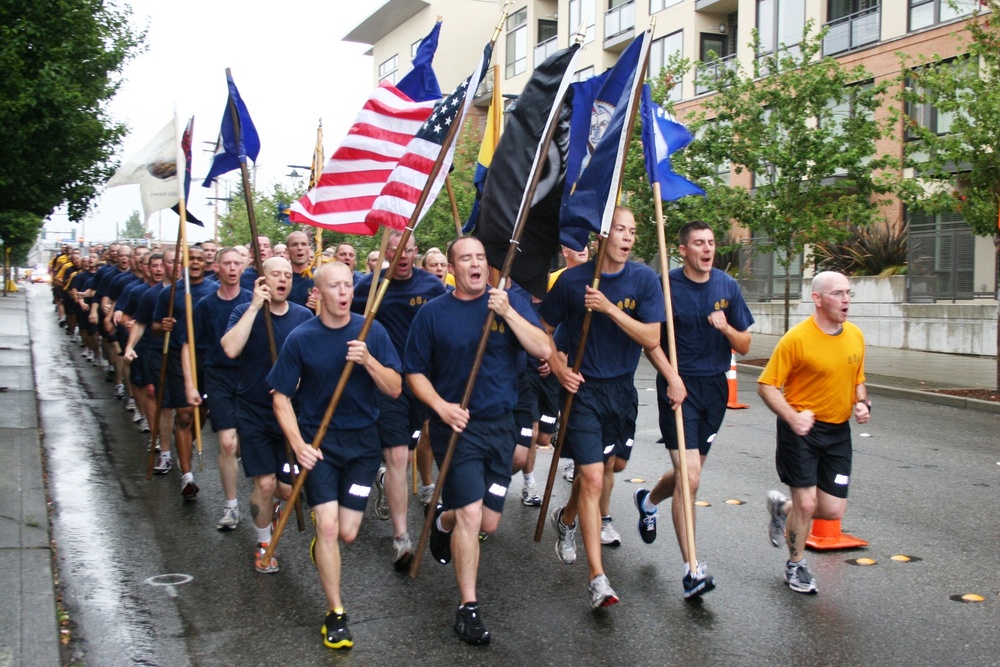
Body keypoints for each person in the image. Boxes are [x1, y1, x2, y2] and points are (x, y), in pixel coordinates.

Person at [405, 236, 549, 645]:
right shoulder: (433, 315)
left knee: (487, 521)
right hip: (458, 429)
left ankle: (441, 519)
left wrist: (509, 313)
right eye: (466, 258)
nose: (475, 264)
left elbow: (544, 349)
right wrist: (441, 407)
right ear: (452, 267)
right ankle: (468, 608)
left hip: (501, 426)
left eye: (481, 257)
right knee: (471, 517)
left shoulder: (507, 303)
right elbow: (414, 371)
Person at [269, 260, 402, 650]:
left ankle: (323, 546)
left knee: (347, 532)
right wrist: (299, 446)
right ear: (320, 292)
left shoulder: (370, 331)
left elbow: (395, 387)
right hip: (319, 447)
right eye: (335, 286)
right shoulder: (301, 338)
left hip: (362, 447)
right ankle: (336, 612)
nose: (344, 293)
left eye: (348, 286)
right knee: (327, 527)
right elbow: (280, 397)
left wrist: (368, 361)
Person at [539, 207, 664, 609]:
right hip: (583, 392)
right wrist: (558, 367)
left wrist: (609, 308)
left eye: (632, 231)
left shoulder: (644, 279)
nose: (627, 238)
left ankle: (568, 518)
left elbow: (651, 335)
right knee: (593, 477)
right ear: (602, 236)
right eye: (620, 230)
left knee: (612, 469)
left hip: (621, 391)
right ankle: (598, 579)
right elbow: (544, 333)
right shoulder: (573, 281)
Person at [633, 220, 754, 600]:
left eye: (711, 242)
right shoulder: (665, 287)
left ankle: (648, 501)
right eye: (699, 243)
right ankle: (692, 570)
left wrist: (726, 330)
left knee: (688, 473)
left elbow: (746, 344)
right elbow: (651, 342)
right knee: (690, 477)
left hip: (714, 389)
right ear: (682, 249)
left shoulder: (726, 286)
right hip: (678, 388)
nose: (707, 249)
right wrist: (671, 377)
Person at [757, 270, 870, 595]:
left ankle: (782, 510)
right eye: (838, 293)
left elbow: (857, 380)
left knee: (832, 509)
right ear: (817, 299)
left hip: (837, 432)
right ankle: (795, 565)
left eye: (849, 293)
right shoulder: (796, 339)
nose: (846, 300)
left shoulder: (856, 337)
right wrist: (792, 418)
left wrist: (863, 404)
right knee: (807, 503)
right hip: (800, 430)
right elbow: (766, 386)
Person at [352, 230, 446, 569]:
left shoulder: (432, 286)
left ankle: (394, 486)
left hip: (423, 382)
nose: (402, 255)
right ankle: (401, 537)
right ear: (386, 252)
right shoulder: (369, 286)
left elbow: (443, 327)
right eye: (395, 249)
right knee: (397, 457)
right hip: (387, 382)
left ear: (415, 251)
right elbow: (349, 322)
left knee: (415, 449)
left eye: (407, 249)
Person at [221, 256, 314, 573]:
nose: (283, 280)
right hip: (254, 410)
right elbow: (231, 348)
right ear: (263, 280)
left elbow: (312, 361)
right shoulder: (245, 311)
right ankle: (264, 542)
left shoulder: (303, 316)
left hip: (290, 413)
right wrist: (252, 307)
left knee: (289, 488)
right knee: (264, 482)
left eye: (288, 275)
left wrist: (296, 381)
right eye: (276, 274)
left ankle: (270, 504)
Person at [183, 247, 251, 529]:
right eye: (227, 263)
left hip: (250, 376)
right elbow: (187, 345)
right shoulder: (204, 305)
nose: (233, 268)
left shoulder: (253, 301)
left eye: (237, 263)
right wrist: (190, 384)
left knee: (249, 444)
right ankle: (232, 506)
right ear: (217, 268)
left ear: (244, 267)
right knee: (227, 442)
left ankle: (266, 499)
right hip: (218, 376)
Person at [153, 246, 216, 498]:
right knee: (184, 415)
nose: (197, 262)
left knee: (200, 412)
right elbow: (156, 325)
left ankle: (186, 444)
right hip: (181, 358)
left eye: (201, 259)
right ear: (184, 263)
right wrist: (163, 325)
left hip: (207, 358)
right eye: (192, 259)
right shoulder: (170, 293)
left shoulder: (214, 290)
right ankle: (187, 476)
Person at [548, 243, 590, 484]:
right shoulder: (557, 279)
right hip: (566, 349)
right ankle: (572, 459)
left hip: (599, 363)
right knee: (572, 410)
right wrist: (556, 363)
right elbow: (551, 321)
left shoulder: (601, 278)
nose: (582, 248)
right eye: (576, 244)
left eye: (585, 243)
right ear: (564, 252)